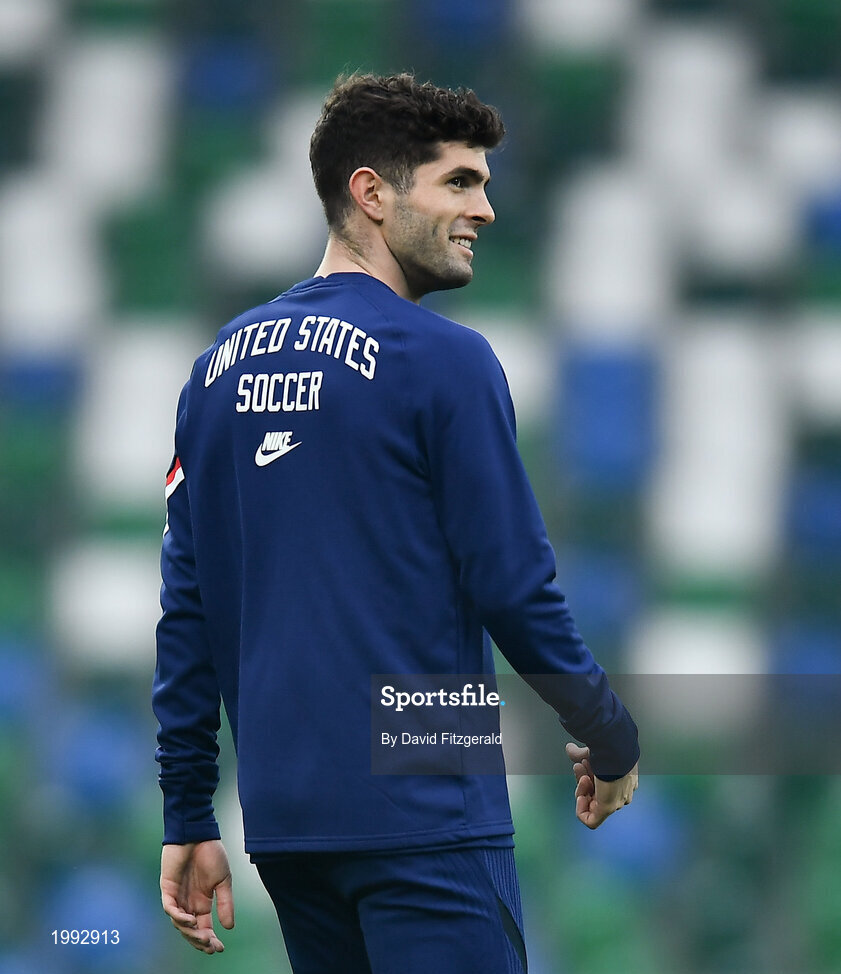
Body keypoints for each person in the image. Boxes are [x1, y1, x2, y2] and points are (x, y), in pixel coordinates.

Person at [153, 72, 639, 973]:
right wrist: (608, 733)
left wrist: (187, 812)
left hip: (288, 827)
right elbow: (512, 585)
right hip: (425, 809)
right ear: (371, 193)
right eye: (458, 181)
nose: (484, 208)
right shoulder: (444, 359)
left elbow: (188, 609)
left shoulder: (214, 372)